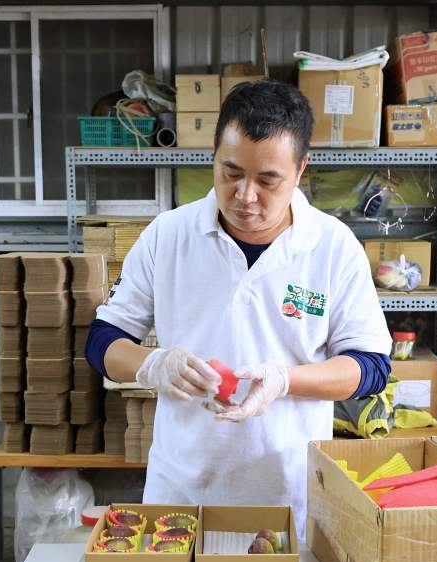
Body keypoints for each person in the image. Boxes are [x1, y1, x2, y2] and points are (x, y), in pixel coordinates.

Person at [86, 80, 391, 534]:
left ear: (301, 169)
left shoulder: (332, 247)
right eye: (231, 173)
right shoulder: (167, 236)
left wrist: (285, 380)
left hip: (289, 500)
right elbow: (102, 343)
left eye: (268, 180)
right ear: (213, 157)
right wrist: (155, 364)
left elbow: (371, 367)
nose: (245, 196)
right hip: (181, 496)